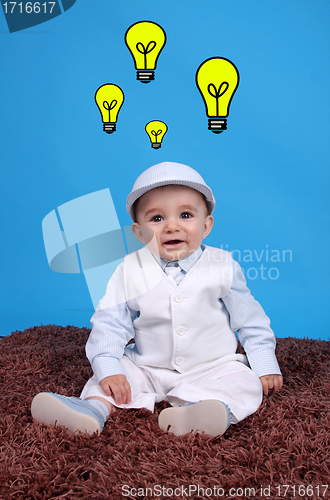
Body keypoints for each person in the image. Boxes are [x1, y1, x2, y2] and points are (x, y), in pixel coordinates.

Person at [31, 161, 283, 437]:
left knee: (242, 380)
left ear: (207, 225)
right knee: (112, 378)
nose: (172, 227)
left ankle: (198, 410)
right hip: (147, 366)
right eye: (157, 219)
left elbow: (250, 320)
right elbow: (110, 323)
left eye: (186, 215)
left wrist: (264, 362)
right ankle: (92, 410)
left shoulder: (222, 265)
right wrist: (108, 368)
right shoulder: (130, 269)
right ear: (139, 232)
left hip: (212, 366)